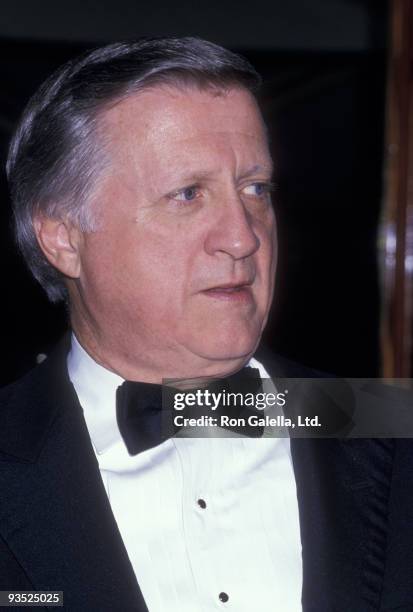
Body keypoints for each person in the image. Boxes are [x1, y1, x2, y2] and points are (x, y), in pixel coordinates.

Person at [0, 37, 411, 612]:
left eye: (255, 189)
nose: (244, 237)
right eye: (188, 194)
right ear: (64, 237)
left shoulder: (392, 430)